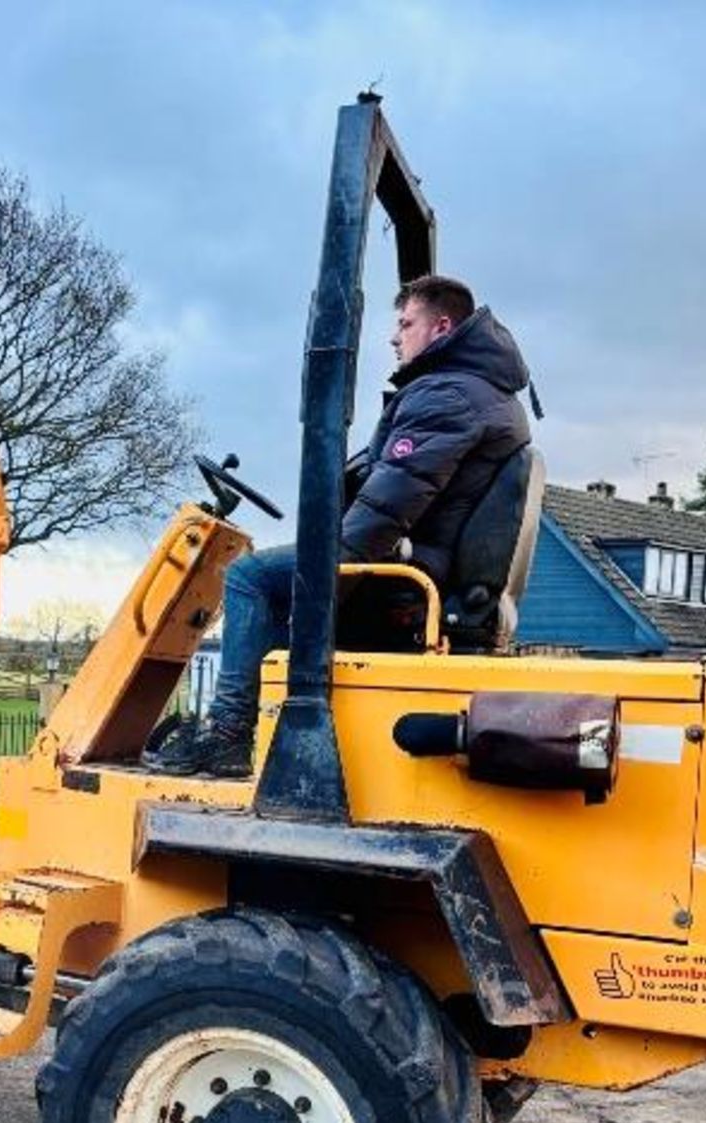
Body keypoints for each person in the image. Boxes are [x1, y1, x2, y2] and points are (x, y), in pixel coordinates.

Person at [147, 274, 533, 776]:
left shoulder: (447, 396)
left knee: (249, 577)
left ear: (441, 327)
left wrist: (325, 583)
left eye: (405, 324)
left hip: (408, 576)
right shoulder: (480, 394)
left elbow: (386, 511)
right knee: (279, 576)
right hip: (427, 563)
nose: (395, 337)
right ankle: (251, 725)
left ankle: (227, 732)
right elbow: (388, 481)